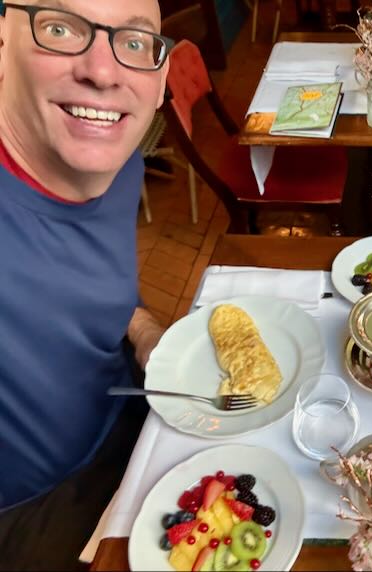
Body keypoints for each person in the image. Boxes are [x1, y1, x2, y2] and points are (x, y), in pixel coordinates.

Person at [0, 0, 171, 568]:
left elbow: (82, 278)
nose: (103, 71)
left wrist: (142, 326)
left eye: (133, 41)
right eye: (58, 28)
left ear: (160, 75)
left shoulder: (117, 159)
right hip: (30, 515)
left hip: (136, 422)